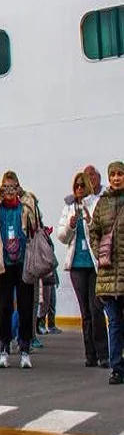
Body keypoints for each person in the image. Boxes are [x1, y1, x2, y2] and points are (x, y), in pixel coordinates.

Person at [0, 171, 41, 369]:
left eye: (12, 187)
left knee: (25, 307)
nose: (9, 191)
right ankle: (4, 348)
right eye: (5, 187)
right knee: (5, 307)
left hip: (23, 263)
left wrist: (23, 195)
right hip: (3, 263)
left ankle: (24, 348)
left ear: (18, 187)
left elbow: (36, 218)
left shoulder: (24, 206)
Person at [58, 172, 108, 367]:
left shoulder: (96, 204)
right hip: (77, 265)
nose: (79, 188)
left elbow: (102, 230)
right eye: (76, 185)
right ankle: (90, 355)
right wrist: (70, 225)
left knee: (97, 309)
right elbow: (62, 236)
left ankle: (103, 353)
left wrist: (89, 221)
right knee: (85, 312)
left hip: (93, 264)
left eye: (82, 185)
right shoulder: (68, 207)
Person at [89, 161, 124, 385]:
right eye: (113, 174)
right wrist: (99, 252)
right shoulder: (102, 203)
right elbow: (94, 231)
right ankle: (117, 368)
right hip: (109, 275)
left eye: (120, 174)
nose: (116, 178)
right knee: (114, 322)